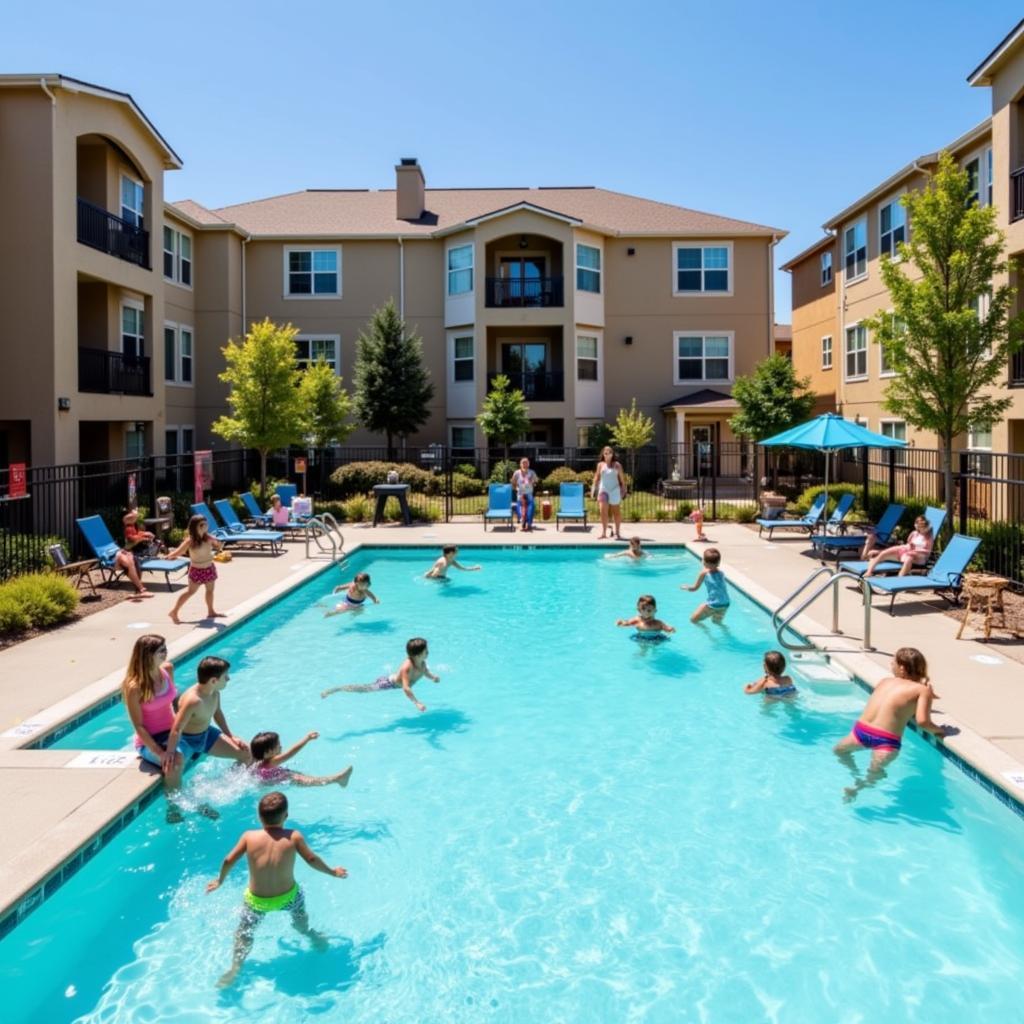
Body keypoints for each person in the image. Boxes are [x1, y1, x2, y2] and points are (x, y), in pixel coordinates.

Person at [206, 791, 347, 987]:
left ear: (258, 816)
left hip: (257, 900)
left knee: (244, 933)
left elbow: (228, 860)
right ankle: (311, 936)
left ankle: (236, 968)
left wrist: (220, 880)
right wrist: (332, 872)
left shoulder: (249, 837)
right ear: (286, 816)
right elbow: (312, 859)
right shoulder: (294, 836)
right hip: (289, 897)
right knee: (300, 922)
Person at [833, 647, 952, 802]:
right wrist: (939, 730)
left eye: (893, 662)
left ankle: (855, 777)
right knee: (874, 772)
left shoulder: (885, 682)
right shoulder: (921, 690)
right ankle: (858, 785)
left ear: (902, 668)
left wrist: (927, 695)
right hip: (886, 742)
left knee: (839, 751)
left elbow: (901, 706)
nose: (890, 664)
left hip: (860, 733)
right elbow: (922, 721)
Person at [122, 634, 185, 816]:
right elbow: (139, 726)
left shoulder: (167, 669)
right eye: (161, 651)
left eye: (166, 649)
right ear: (147, 655)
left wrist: (184, 724)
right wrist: (160, 752)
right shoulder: (134, 687)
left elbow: (174, 702)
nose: (166, 653)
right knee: (174, 762)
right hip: (150, 741)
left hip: (172, 732)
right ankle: (173, 808)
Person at [164, 655, 252, 771]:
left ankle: (227, 782)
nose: (228, 679)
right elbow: (176, 729)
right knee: (172, 769)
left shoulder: (214, 692)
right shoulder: (193, 701)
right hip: (187, 741)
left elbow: (218, 713)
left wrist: (231, 736)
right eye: (225, 676)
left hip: (206, 735)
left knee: (246, 753)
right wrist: (170, 752)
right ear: (213, 680)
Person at [321, 637, 439, 713]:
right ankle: (337, 689)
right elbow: (406, 687)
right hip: (387, 684)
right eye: (426, 651)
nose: (428, 652)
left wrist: (433, 677)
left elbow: (425, 672)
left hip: (394, 682)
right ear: (417, 655)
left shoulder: (421, 662)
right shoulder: (407, 667)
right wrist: (416, 702)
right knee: (363, 689)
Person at [168, 515, 224, 623]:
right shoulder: (190, 541)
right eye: (202, 525)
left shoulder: (209, 538)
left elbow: (218, 546)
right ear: (195, 527)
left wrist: (217, 543)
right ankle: (174, 611)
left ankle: (211, 611)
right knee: (190, 592)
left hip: (209, 568)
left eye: (206, 524)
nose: (205, 526)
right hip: (197, 569)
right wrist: (170, 556)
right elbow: (179, 551)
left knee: (210, 590)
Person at [249, 731, 353, 788]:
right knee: (303, 779)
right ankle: (338, 779)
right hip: (278, 780)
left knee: (295, 775)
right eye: (277, 745)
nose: (281, 746)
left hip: (270, 780)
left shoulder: (258, 762)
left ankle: (338, 779)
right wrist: (307, 739)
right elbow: (291, 752)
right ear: (268, 752)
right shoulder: (272, 761)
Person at [863, 515, 934, 577]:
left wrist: (915, 551)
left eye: (924, 528)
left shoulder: (929, 537)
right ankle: (869, 572)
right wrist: (907, 547)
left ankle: (899, 579)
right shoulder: (914, 533)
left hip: (918, 557)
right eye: (920, 527)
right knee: (883, 553)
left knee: (909, 558)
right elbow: (908, 543)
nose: (922, 530)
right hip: (905, 551)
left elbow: (927, 552)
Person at [681, 547, 730, 623]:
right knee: (716, 622)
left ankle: (706, 631)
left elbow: (694, 588)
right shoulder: (721, 573)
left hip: (714, 604)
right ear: (718, 562)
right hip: (725, 603)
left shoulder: (704, 573)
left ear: (704, 562)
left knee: (693, 620)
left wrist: (686, 587)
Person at [591, 446, 628, 540]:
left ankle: (618, 533)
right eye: (605, 453)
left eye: (609, 453)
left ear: (612, 454)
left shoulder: (617, 465)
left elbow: (622, 479)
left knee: (616, 512)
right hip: (604, 490)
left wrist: (624, 489)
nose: (607, 454)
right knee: (603, 512)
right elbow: (597, 477)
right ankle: (603, 533)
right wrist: (593, 488)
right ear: (603, 454)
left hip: (615, 490)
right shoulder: (600, 465)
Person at [511, 457, 540, 532]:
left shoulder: (532, 472)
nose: (525, 464)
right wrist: (516, 489)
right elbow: (513, 483)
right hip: (520, 494)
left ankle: (529, 523)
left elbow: (536, 482)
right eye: (523, 463)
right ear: (520, 464)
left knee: (531, 506)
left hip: (529, 493)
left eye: (526, 463)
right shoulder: (517, 473)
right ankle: (523, 520)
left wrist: (532, 481)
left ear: (529, 464)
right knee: (519, 507)